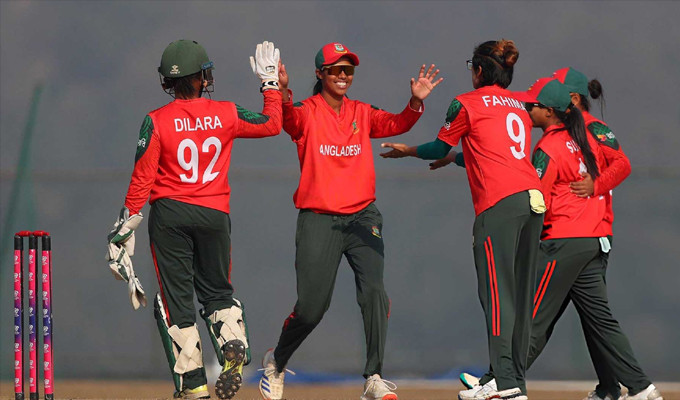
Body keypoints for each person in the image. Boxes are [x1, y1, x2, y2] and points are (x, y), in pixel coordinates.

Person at [459, 72, 662, 400]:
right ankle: (635, 388)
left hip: (564, 240)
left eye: (533, 105)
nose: (527, 109)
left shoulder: (568, 139)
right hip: (593, 239)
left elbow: (538, 196)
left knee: (531, 317)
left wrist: (594, 186)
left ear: (566, 103)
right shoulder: (578, 138)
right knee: (599, 321)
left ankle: (501, 381)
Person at [257, 42, 442, 400]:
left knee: (374, 293)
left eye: (349, 69)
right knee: (311, 309)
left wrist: (415, 102)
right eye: (336, 69)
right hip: (319, 218)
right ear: (320, 74)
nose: (343, 75)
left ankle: (374, 376)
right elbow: (287, 120)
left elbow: (397, 123)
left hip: (362, 217)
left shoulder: (362, 111)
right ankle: (276, 361)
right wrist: (281, 91)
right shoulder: (306, 111)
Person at [105, 39, 283, 400]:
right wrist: (270, 84)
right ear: (202, 77)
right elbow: (271, 124)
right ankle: (231, 345)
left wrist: (125, 226)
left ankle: (194, 385)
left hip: (170, 215)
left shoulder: (155, 120)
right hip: (214, 214)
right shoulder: (227, 112)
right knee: (218, 294)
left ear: (168, 82)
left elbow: (142, 178)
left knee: (176, 303)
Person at [380, 39, 545, 400]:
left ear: (479, 70)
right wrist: (456, 159)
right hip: (532, 200)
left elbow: (439, 146)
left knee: (497, 296)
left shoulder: (466, 102)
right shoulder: (518, 105)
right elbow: (494, 151)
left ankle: (504, 384)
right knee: (519, 297)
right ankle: (512, 382)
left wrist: (409, 150)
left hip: (499, 205)